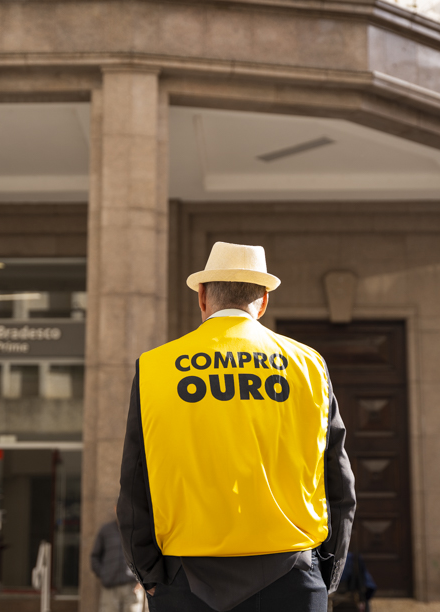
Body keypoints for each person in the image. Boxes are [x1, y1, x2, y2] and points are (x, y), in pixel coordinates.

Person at [118, 242, 357, 612]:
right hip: (291, 572)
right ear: (262, 301)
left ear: (202, 297)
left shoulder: (155, 368)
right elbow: (338, 478)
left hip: (186, 578)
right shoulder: (309, 365)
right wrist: (327, 571)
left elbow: (136, 480)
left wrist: (149, 573)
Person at [91, 517, 143, 612]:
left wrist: (143, 579)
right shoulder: (106, 530)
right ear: (115, 508)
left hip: (132, 586)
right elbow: (95, 557)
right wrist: (104, 574)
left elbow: (146, 556)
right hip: (110, 587)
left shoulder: (138, 529)